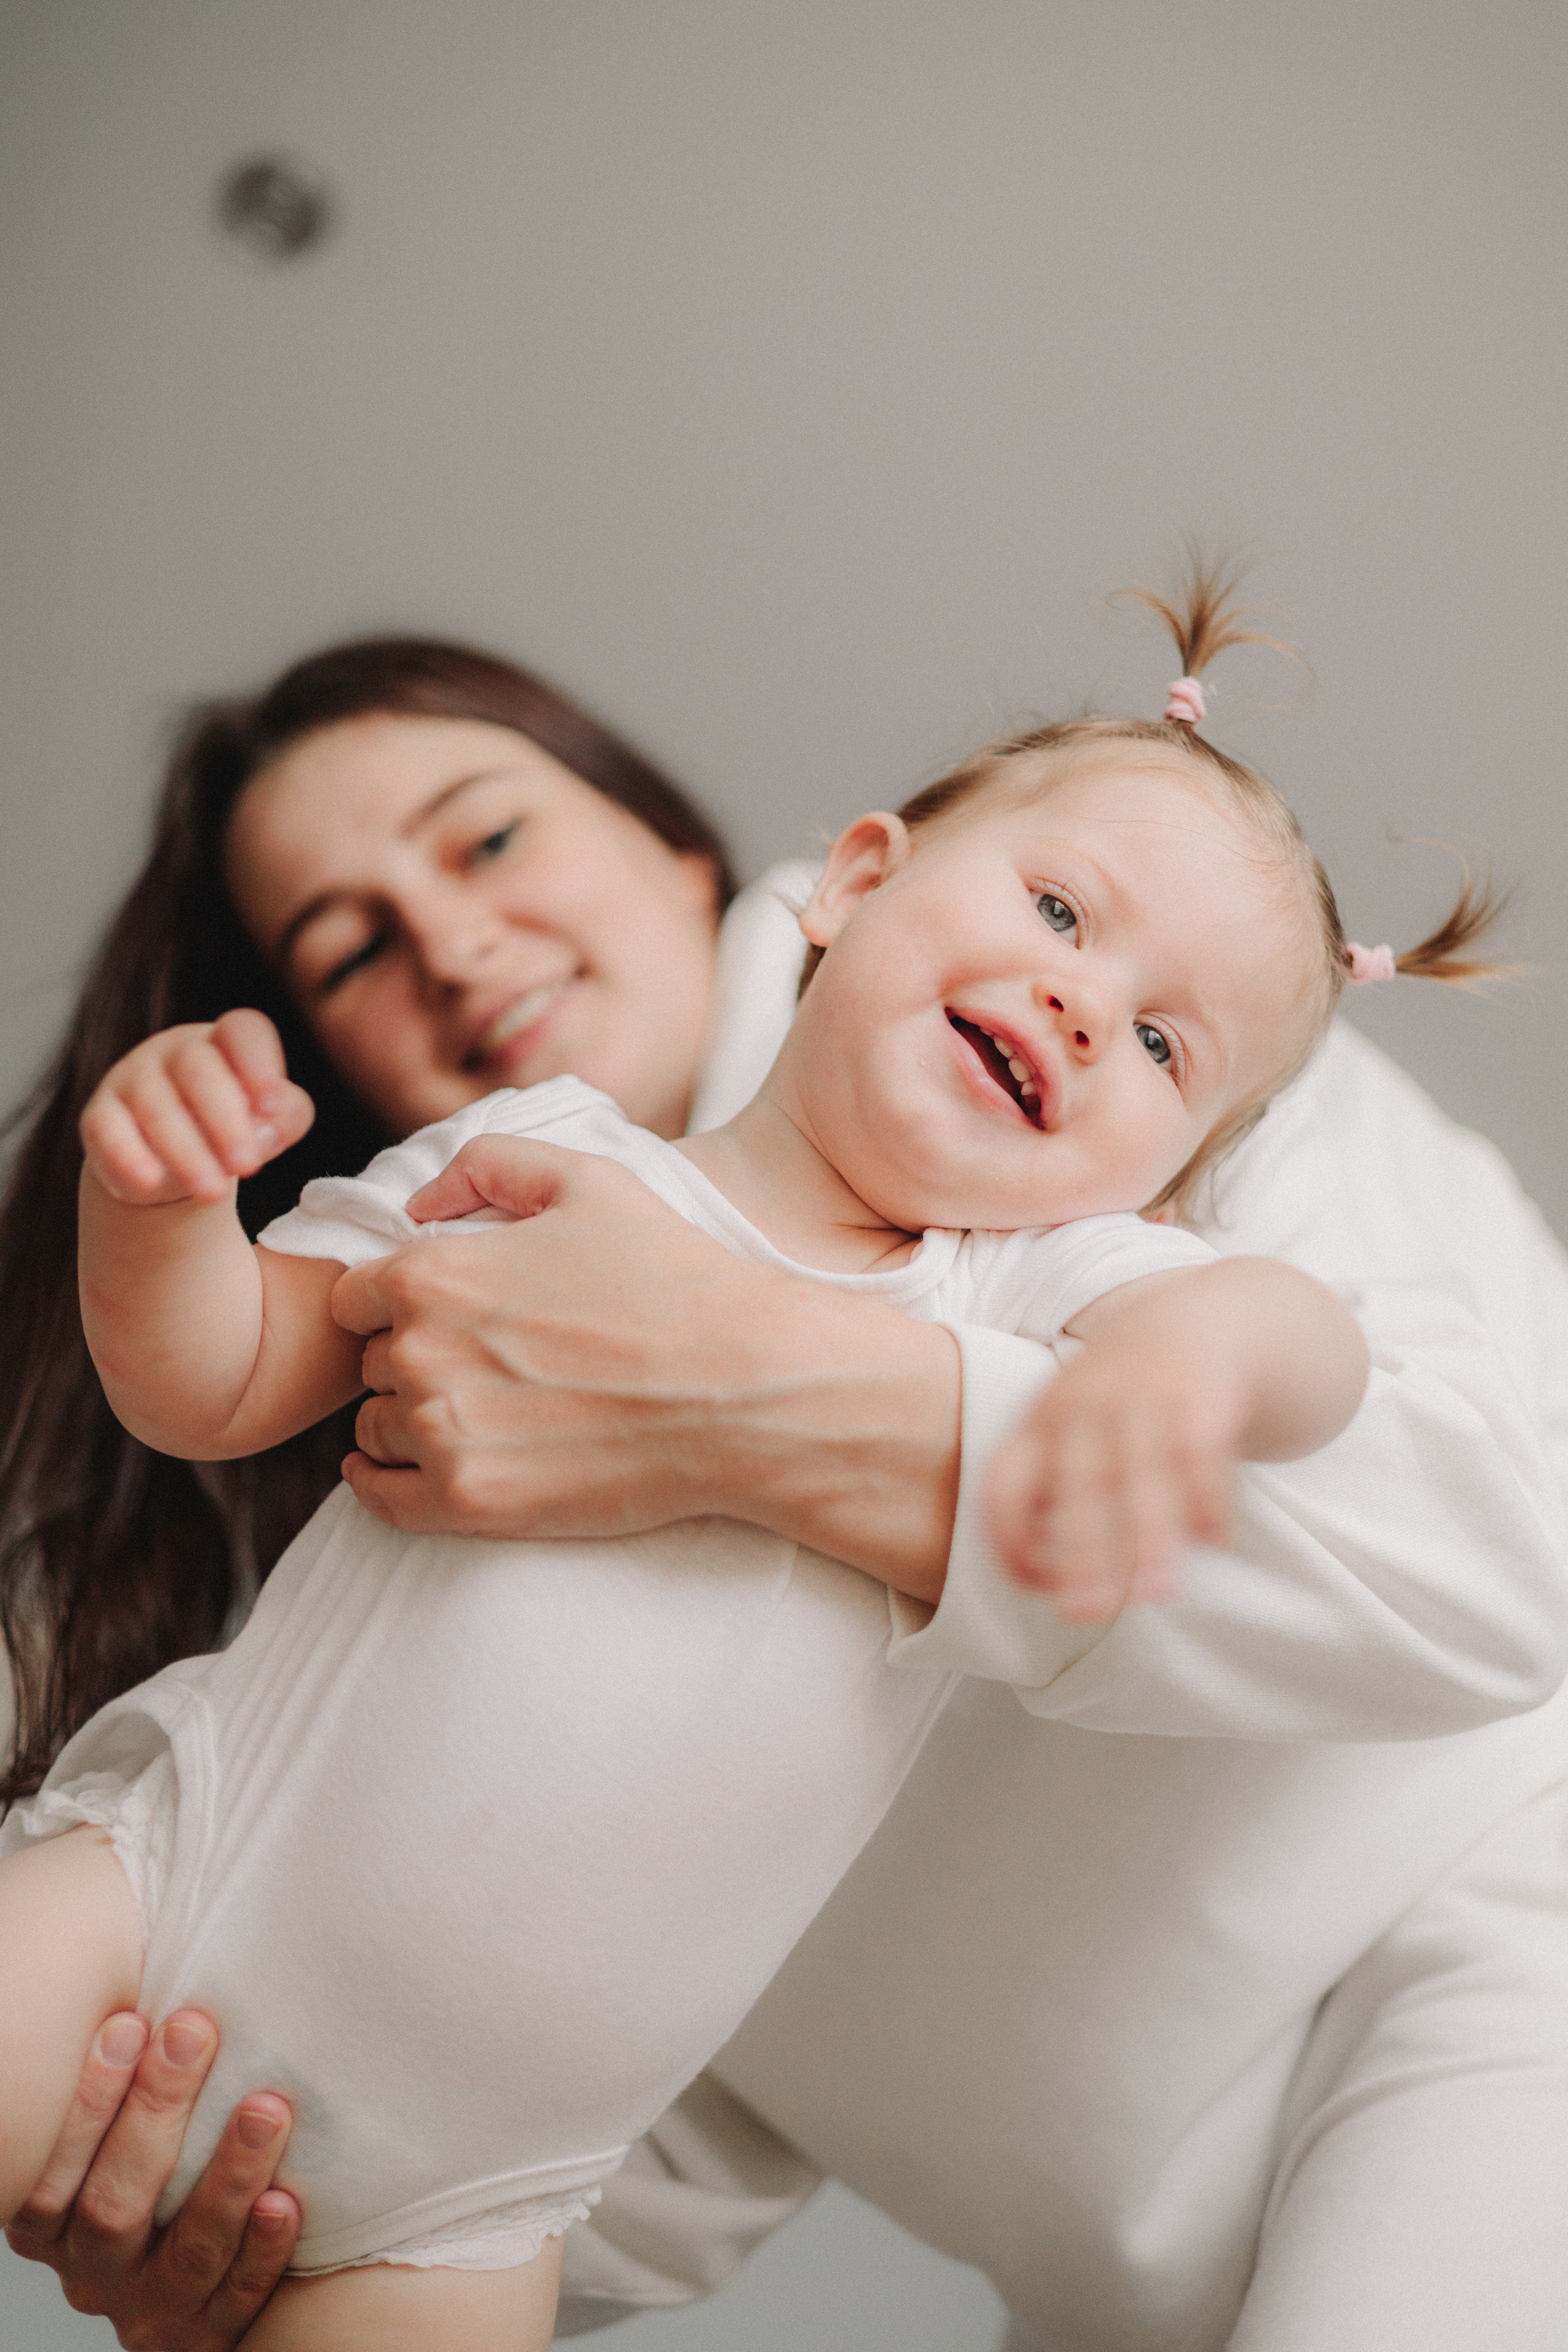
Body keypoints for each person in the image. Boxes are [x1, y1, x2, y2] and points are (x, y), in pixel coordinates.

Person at [4, 595, 1566, 2352]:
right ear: (862, 883)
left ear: (710, 860)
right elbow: (672, 2079)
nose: (451, 941)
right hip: (1023, 2260)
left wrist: (1163, 1363)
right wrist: (153, 1202)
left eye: (490, 837)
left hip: (1488, 1954)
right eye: (350, 949)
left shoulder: (1100, 1187)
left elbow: (1463, 1515)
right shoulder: (497, 1213)